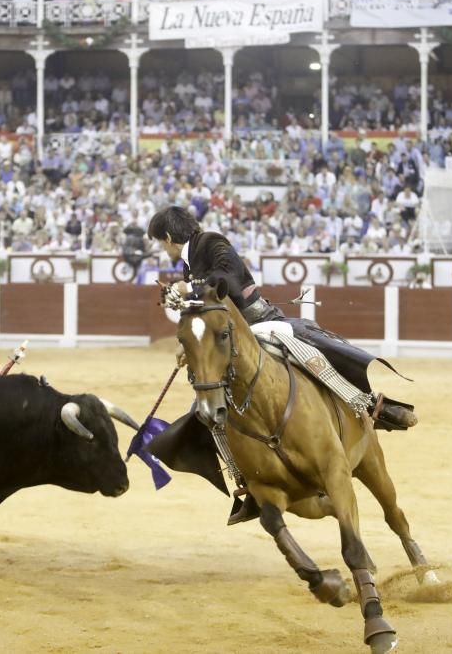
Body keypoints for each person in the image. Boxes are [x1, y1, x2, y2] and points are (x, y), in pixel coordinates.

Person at [147, 206, 417, 525]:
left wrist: (189, 288)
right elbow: (205, 316)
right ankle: (246, 480)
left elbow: (227, 277)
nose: (163, 249)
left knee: (311, 350)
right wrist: (188, 346)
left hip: (259, 322)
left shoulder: (211, 243)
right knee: (208, 410)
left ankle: (373, 406)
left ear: (167, 237)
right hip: (230, 340)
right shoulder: (189, 265)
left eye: (161, 243)